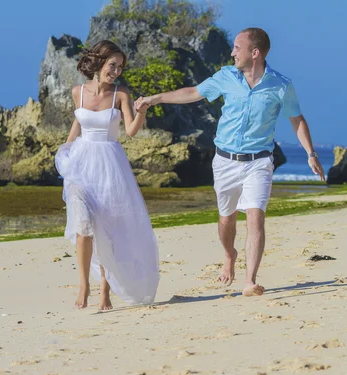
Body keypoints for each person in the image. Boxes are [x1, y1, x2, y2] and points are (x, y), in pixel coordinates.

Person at [135, 28, 325, 296]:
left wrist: (311, 154)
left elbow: (297, 119)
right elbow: (193, 92)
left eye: (237, 47)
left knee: (255, 218)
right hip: (225, 161)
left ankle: (250, 280)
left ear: (254, 52)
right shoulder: (226, 77)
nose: (232, 52)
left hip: (259, 161)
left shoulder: (281, 85)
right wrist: (156, 99)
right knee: (226, 221)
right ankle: (229, 255)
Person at [55, 40, 160, 310]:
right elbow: (78, 121)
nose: (116, 71)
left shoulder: (120, 94)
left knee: (107, 230)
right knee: (83, 225)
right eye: (112, 65)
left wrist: (142, 112)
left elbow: (131, 131)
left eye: (120, 67)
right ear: (99, 62)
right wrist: (65, 151)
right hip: (79, 164)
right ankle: (84, 285)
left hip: (110, 166)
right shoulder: (77, 91)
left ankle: (105, 291)